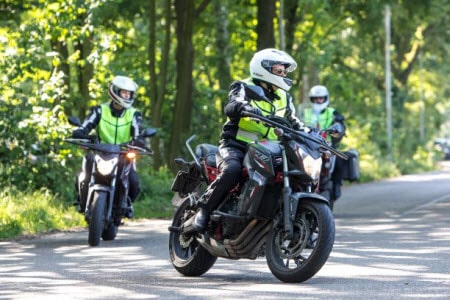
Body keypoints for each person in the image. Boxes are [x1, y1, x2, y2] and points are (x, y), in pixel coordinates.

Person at [193, 48, 305, 231]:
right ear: (264, 69)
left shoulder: (285, 96)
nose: (283, 74)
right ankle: (204, 210)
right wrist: (244, 107)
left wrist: (315, 135)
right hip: (236, 145)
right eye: (279, 71)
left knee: (289, 173)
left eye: (284, 71)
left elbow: (295, 122)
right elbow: (232, 104)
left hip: (269, 149)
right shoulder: (243, 86)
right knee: (232, 170)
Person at [72, 75, 145, 218]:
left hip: (123, 154)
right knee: (83, 173)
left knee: (134, 181)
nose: (127, 95)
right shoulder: (100, 110)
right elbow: (87, 125)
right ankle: (82, 201)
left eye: (129, 93)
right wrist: (81, 132)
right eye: (124, 92)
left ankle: (127, 205)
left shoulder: (133, 114)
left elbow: (137, 131)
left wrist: (138, 141)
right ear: (115, 91)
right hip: (100, 151)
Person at [301, 84, 346, 204]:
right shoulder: (305, 112)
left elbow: (340, 122)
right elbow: (295, 120)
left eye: (321, 98)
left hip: (327, 143)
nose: (318, 101)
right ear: (311, 99)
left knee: (339, 159)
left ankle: (336, 185)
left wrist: (338, 127)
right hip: (307, 143)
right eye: (316, 99)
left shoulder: (332, 112)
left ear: (325, 98)